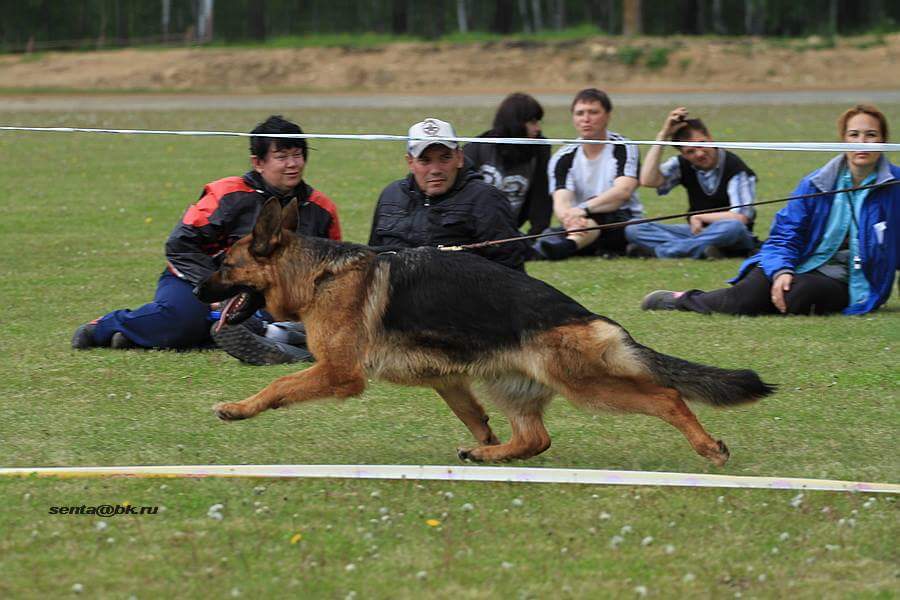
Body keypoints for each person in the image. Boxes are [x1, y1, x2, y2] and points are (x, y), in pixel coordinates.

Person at [72, 115, 342, 364]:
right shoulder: (227, 195)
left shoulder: (321, 209)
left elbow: (330, 267)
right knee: (182, 319)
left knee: (273, 321)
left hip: (268, 294)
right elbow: (180, 246)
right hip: (197, 279)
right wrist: (221, 291)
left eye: (298, 155)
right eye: (282, 156)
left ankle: (159, 337)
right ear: (257, 162)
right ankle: (106, 326)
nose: (293, 164)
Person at [642, 105, 898, 316]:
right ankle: (679, 300)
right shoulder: (816, 182)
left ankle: (773, 298)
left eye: (871, 135)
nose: (862, 143)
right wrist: (781, 271)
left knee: (799, 296)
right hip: (798, 261)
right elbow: (785, 234)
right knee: (743, 298)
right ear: (843, 139)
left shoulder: (895, 184)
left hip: (846, 278)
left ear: (884, 141)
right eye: (854, 135)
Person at [368, 117, 529, 271]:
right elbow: (371, 261)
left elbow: (511, 271)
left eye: (445, 158)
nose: (436, 170)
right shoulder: (391, 196)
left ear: (459, 158)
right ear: (410, 162)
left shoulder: (486, 199)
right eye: (425, 160)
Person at [625, 107, 759, 259]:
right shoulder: (682, 164)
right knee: (634, 227)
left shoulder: (736, 168)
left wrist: (700, 217)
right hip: (697, 231)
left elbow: (741, 217)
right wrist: (662, 136)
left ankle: (663, 251)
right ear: (683, 154)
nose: (699, 154)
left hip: (732, 233)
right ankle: (703, 249)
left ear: (710, 137)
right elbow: (648, 180)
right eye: (690, 151)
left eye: (702, 144)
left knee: (733, 227)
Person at [534, 88, 642, 260]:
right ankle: (576, 245)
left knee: (612, 225)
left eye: (593, 112)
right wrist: (569, 218)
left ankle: (567, 246)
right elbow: (561, 200)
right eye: (580, 113)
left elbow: (623, 191)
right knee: (549, 233)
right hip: (580, 222)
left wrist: (581, 209)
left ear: (607, 116)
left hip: (620, 217)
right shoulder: (563, 157)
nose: (586, 119)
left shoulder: (624, 147)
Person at [463, 92, 552, 237]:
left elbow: (541, 197)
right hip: (472, 230)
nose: (538, 128)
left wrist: (537, 235)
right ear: (516, 124)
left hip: (509, 231)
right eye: (533, 122)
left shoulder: (540, 149)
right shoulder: (476, 148)